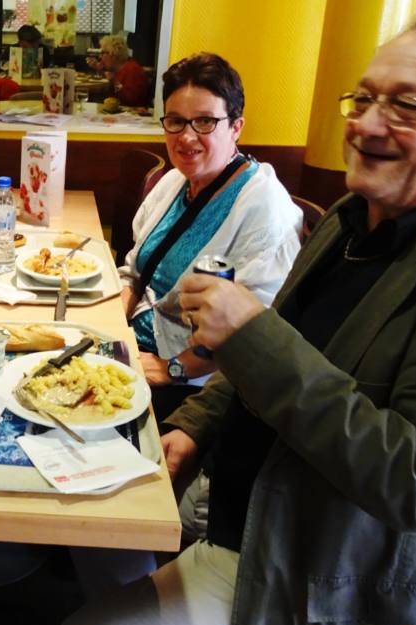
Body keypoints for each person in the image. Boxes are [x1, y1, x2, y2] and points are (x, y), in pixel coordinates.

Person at [61, 7, 416, 625]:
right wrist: (195, 426)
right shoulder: (352, 218)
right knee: (82, 500)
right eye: (364, 99)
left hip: (303, 574)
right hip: (234, 504)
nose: (365, 124)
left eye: (409, 106)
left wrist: (249, 339)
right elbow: (262, 356)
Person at [119, 53, 301, 419]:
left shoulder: (264, 206)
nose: (187, 137)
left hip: (195, 386)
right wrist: (112, 329)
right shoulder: (175, 182)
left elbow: (256, 334)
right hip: (134, 349)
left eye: (205, 121)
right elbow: (135, 273)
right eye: (175, 121)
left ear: (236, 127)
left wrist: (172, 369)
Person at [88, 34, 150, 107]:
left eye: (103, 53)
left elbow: (131, 100)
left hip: (131, 112)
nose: (100, 57)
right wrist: (99, 69)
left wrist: (114, 81)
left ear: (114, 54)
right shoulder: (116, 69)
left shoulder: (133, 70)